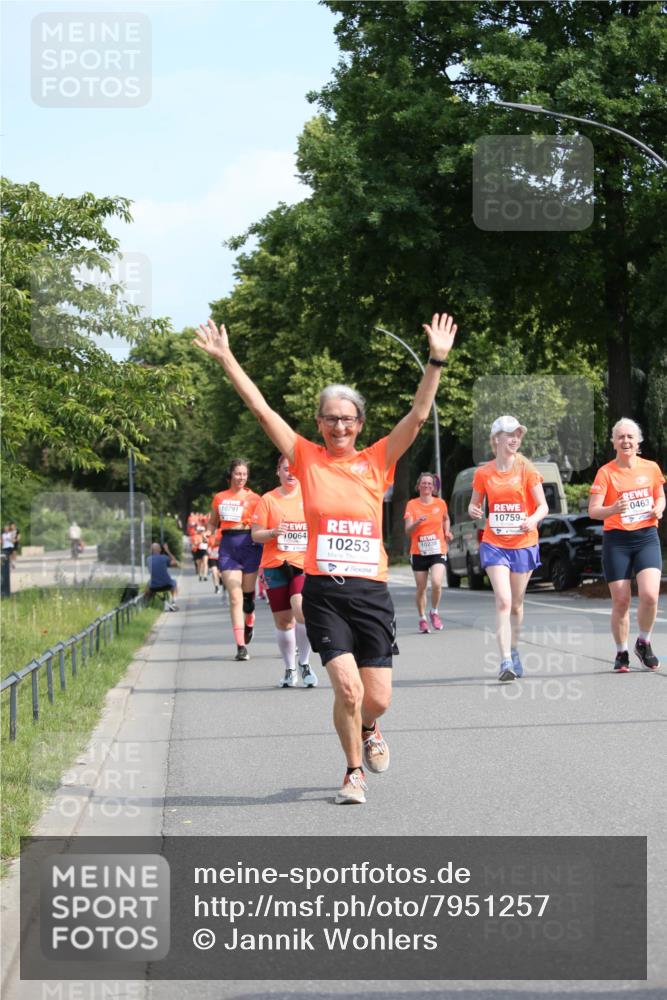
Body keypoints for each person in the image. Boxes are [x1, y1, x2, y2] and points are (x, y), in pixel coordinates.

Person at [194, 311, 457, 804]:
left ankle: (371, 727)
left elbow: (419, 415)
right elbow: (261, 409)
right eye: (330, 418)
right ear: (319, 423)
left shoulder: (377, 459)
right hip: (324, 592)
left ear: (360, 423)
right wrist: (227, 358)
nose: (339, 425)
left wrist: (436, 359)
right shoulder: (305, 457)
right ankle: (352, 771)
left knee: (375, 698)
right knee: (348, 689)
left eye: (347, 418)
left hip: (371, 591)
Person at [468, 415, 549, 682]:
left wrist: (532, 520)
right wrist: (473, 509)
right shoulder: (484, 473)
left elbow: (542, 506)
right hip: (495, 543)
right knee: (503, 601)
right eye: (509, 434)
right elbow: (474, 505)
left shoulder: (526, 468)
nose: (515, 439)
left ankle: (514, 649)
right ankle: (504, 661)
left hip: (524, 543)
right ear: (496, 439)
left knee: (516, 604)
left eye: (518, 434)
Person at [588, 418, 665, 672]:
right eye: (621, 437)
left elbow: (660, 496)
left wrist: (659, 508)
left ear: (638, 441)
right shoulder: (606, 473)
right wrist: (613, 508)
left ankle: (643, 642)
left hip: (645, 538)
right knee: (621, 600)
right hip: (617, 541)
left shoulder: (651, 468)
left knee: (650, 595)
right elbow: (594, 511)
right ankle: (622, 653)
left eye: (630, 437)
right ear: (614, 442)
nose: (626, 441)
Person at [251, 455, 317, 688]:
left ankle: (305, 663)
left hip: (302, 563)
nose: (291, 473)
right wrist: (272, 533)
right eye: (286, 469)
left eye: (294, 469)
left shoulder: (310, 497)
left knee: (300, 608)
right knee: (283, 621)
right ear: (277, 472)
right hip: (275, 565)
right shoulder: (268, 500)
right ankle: (290, 668)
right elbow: (255, 534)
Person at [210, 459, 263, 661]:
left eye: (244, 474)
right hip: (229, 547)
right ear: (230, 474)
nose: (241, 477)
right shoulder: (220, 498)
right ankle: (240, 646)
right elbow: (213, 523)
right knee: (234, 596)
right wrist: (208, 535)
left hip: (250, 546)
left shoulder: (255, 498)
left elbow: (263, 522)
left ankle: (249, 620)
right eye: (237, 473)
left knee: (248, 599)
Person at [404, 471, 452, 633]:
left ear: (433, 487)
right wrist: (417, 522)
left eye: (429, 484)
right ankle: (422, 618)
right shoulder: (412, 504)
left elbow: (446, 518)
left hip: (438, 549)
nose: (426, 486)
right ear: (419, 486)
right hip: (418, 551)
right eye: (423, 483)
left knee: (437, 582)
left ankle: (434, 612)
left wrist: (447, 532)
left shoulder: (440, 503)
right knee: (421, 587)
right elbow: (408, 531)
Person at [145, 542, 180, 610]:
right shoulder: (164, 558)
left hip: (154, 587)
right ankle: (173, 602)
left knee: (148, 583)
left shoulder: (148, 559)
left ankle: (146, 604)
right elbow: (175, 563)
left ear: (151, 551)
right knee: (174, 582)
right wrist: (167, 551)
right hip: (167, 584)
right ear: (160, 550)